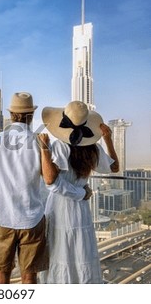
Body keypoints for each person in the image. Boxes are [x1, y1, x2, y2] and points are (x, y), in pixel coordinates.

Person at [0, 92, 90, 284]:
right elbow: (52, 179)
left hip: (2, 217)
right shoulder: (39, 142)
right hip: (32, 219)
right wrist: (81, 192)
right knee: (30, 274)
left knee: (2, 273)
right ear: (31, 116)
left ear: (12, 114)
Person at [38, 100, 119, 284]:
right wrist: (107, 139)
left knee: (60, 250)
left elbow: (51, 181)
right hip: (80, 209)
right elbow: (115, 167)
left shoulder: (59, 146)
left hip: (60, 206)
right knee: (80, 250)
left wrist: (44, 148)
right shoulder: (94, 149)